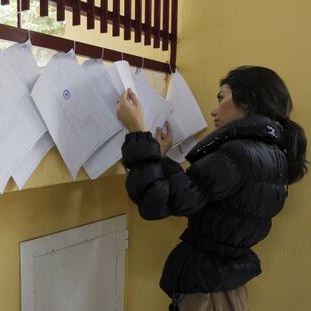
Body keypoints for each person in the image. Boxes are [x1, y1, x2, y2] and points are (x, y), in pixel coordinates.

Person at [116, 66, 307, 311]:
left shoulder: (238, 154)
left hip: (208, 293)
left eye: (221, 97)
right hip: (225, 287)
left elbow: (155, 202)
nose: (214, 110)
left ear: (248, 102)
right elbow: (197, 195)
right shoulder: (270, 154)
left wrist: (137, 133)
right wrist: (160, 159)